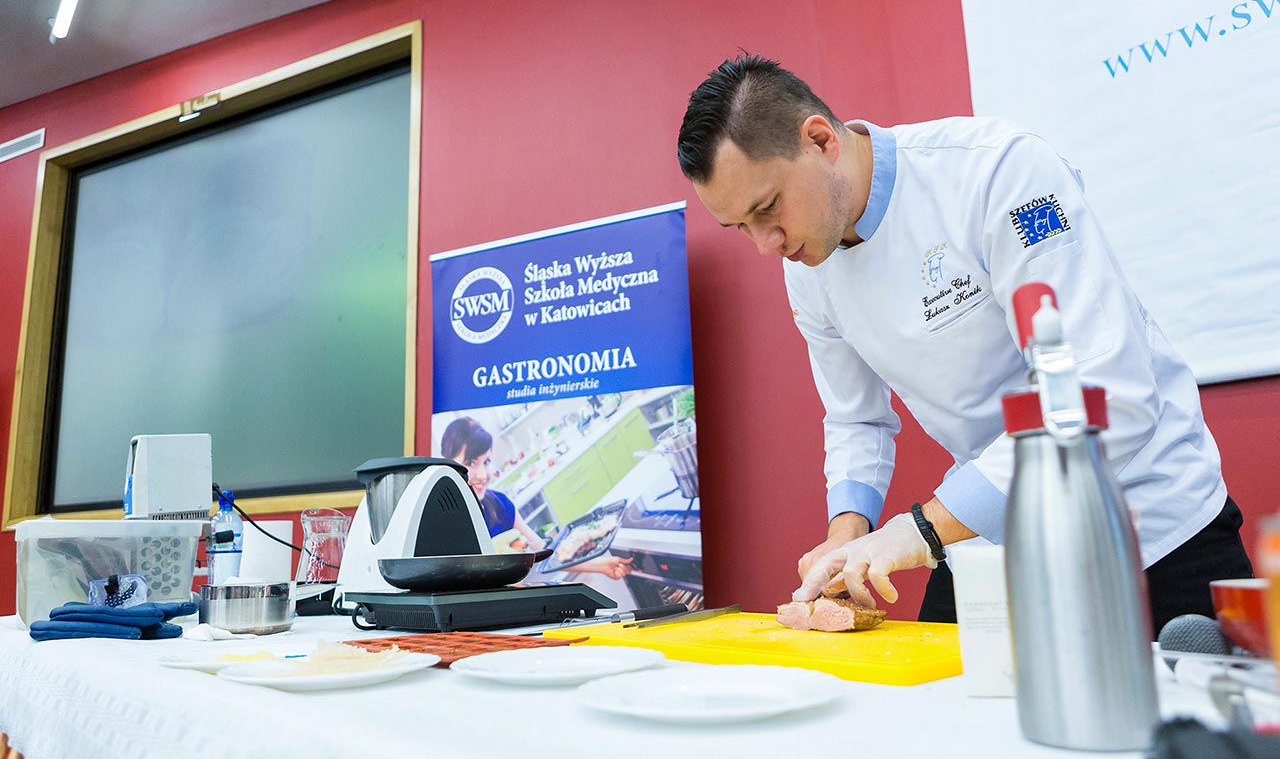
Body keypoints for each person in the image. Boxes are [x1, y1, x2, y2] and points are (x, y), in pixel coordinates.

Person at [676, 54, 1253, 631]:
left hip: (1143, 521)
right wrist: (846, 534)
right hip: (989, 534)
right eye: (741, 226)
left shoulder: (997, 172)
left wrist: (919, 530)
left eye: (767, 208)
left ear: (821, 140)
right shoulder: (806, 262)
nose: (765, 243)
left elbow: (1104, 391)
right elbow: (857, 418)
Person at [439, 417, 634, 580]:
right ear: (448, 464)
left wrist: (600, 565)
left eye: (487, 461)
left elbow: (542, 552)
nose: (482, 475)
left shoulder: (500, 504)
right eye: (471, 463)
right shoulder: (442, 523)